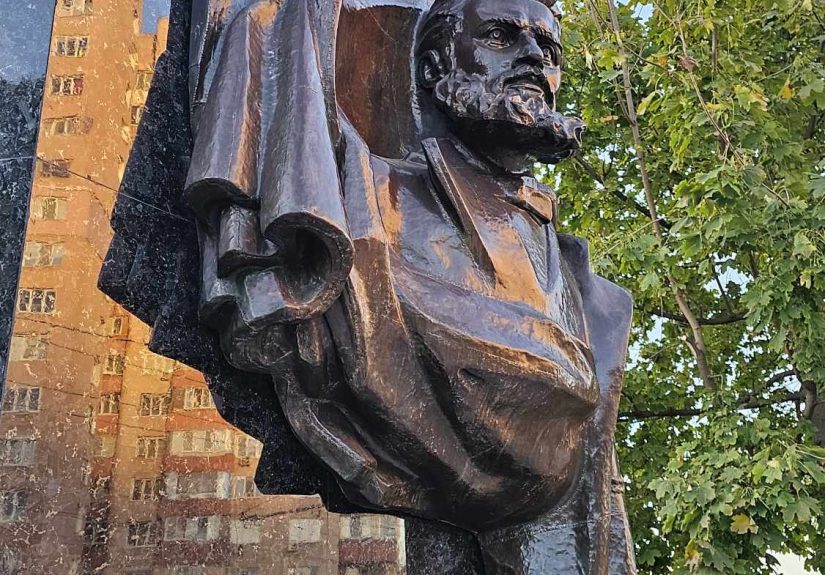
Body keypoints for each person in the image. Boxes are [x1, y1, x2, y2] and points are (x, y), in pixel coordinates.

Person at [101, 0, 636, 572]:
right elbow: (273, 46)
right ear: (433, 68)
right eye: (501, 37)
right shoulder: (352, 202)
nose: (533, 57)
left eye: (548, 49)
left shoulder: (596, 301)